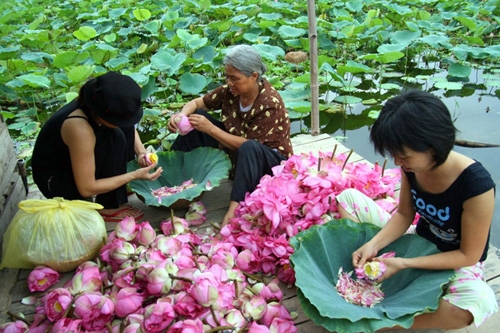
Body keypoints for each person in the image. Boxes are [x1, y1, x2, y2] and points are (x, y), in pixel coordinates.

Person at [337, 89, 497, 329]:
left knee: (478, 302)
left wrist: (404, 264)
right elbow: (404, 214)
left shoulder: (477, 186)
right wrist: (374, 245)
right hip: (417, 241)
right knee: (347, 198)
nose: (397, 162)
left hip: (455, 261)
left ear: (432, 146)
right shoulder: (412, 168)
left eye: (403, 156)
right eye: (394, 155)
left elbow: (469, 255)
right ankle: (370, 274)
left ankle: (388, 326)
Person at [167, 44, 293, 227]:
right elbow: (197, 102)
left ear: (254, 76)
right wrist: (180, 116)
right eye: (227, 77)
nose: (230, 83)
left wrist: (211, 129)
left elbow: (247, 146)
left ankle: (232, 213)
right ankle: (172, 177)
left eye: (235, 78)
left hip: (268, 165)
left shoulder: (269, 103)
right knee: (198, 119)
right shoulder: (230, 91)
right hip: (237, 152)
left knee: (247, 146)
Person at [32, 71, 163, 222]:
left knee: (121, 131)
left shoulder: (97, 104)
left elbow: (127, 125)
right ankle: (107, 207)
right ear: (102, 115)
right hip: (57, 180)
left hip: (75, 160)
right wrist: (134, 175)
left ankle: (114, 192)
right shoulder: (79, 128)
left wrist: (142, 152)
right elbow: (86, 188)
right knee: (116, 137)